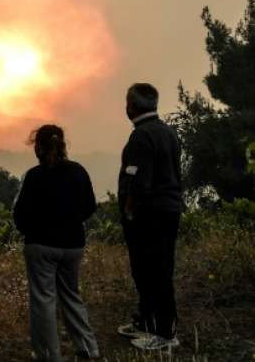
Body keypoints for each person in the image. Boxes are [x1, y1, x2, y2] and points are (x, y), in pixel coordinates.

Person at [13, 125, 100, 361]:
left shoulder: (34, 176)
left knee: (43, 300)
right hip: (73, 244)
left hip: (40, 245)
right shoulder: (78, 171)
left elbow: (19, 215)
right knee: (72, 295)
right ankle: (88, 348)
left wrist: (30, 230)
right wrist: (71, 222)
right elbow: (90, 205)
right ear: (62, 144)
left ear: (38, 147)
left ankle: (50, 355)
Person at [116, 82, 183, 351]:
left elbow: (138, 180)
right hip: (169, 210)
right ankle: (146, 321)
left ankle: (165, 333)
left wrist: (130, 211)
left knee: (152, 271)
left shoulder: (141, 136)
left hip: (150, 215)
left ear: (131, 106)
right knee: (156, 269)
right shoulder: (168, 132)